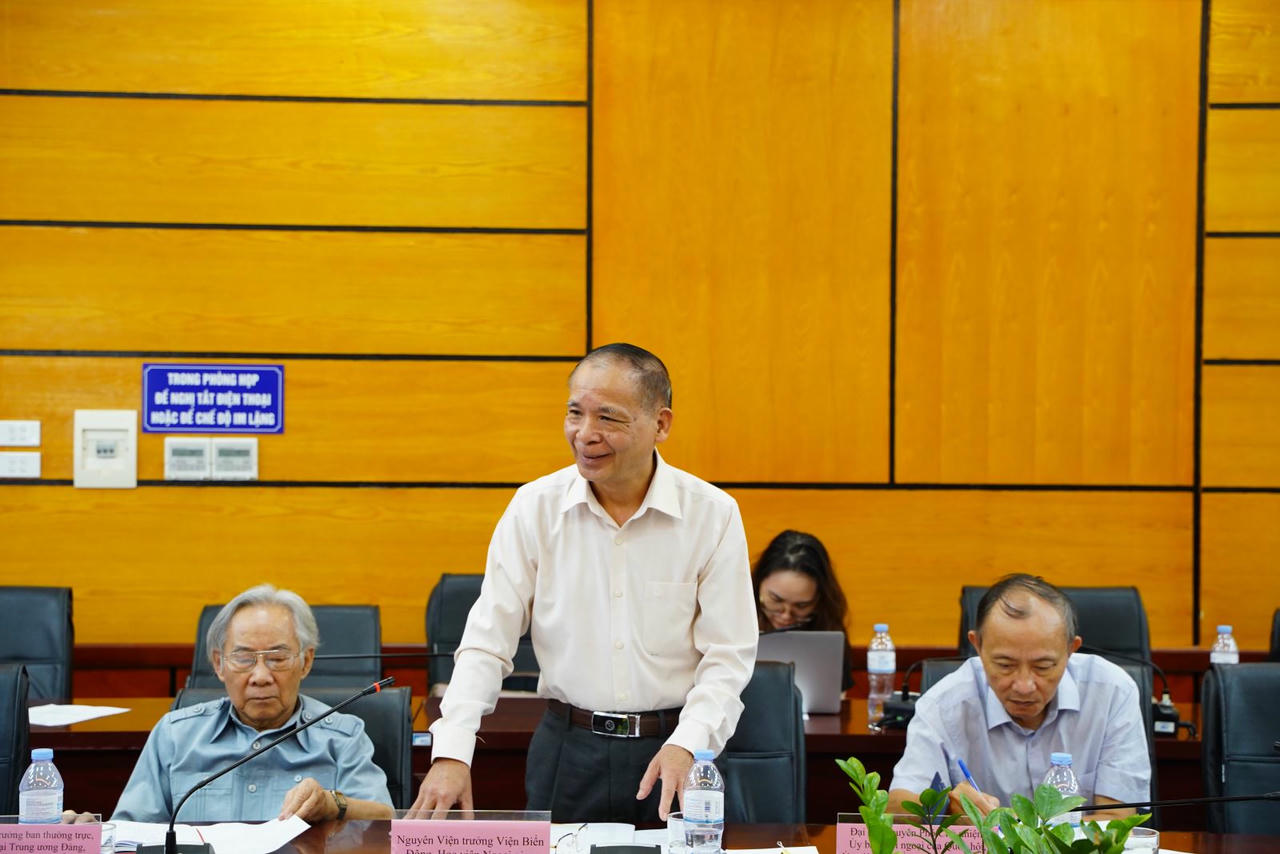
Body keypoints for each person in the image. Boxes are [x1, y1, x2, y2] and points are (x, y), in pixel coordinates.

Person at [410, 343, 757, 823]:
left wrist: (690, 742)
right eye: (575, 413)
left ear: (661, 424)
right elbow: (487, 641)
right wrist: (452, 749)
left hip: (675, 749)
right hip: (567, 750)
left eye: (608, 418)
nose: (585, 434)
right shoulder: (535, 507)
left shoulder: (712, 515)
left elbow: (728, 655)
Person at [111, 584, 393, 822]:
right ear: (219, 664)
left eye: (277, 658)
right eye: (244, 659)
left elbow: (385, 823)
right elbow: (128, 834)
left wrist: (333, 804)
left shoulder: (342, 737)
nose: (261, 677)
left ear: (306, 662)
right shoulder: (175, 735)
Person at [888, 574, 1150, 819]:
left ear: (1071, 649)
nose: (1024, 686)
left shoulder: (1112, 693)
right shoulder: (943, 705)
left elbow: (1117, 820)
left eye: (1043, 667)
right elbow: (897, 807)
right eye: (1005, 665)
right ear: (977, 645)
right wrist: (945, 807)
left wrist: (1017, 828)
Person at [752, 529, 855, 690]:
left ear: (820, 599)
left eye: (801, 606)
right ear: (759, 583)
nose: (786, 616)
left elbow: (838, 694)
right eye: (776, 600)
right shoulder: (734, 616)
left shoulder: (828, 629)